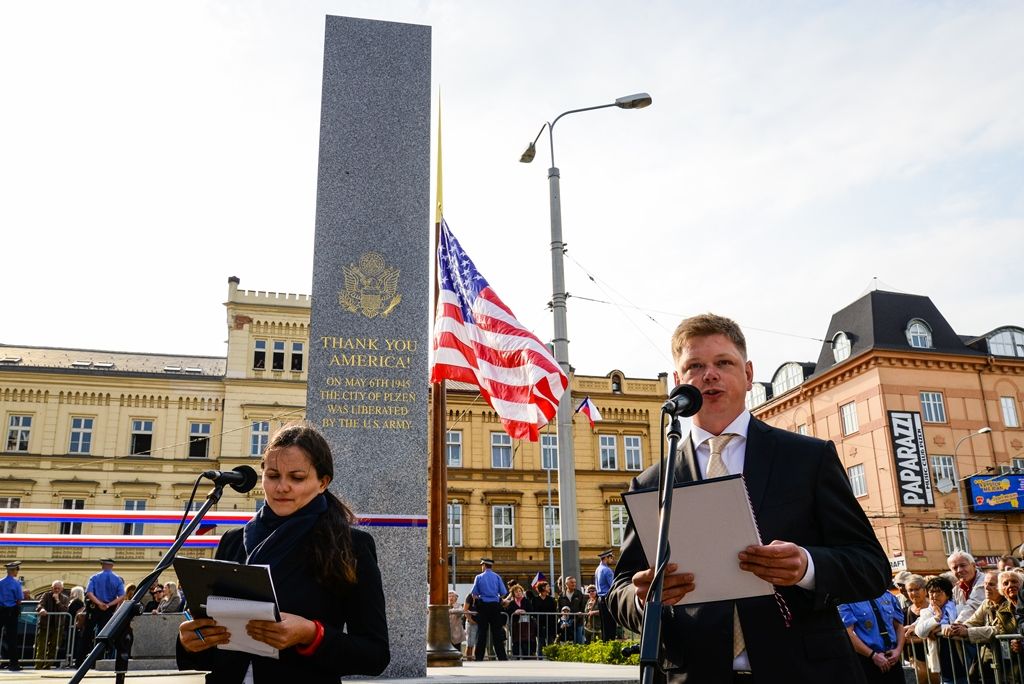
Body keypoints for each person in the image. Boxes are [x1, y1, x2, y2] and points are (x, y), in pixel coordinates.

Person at [608, 313, 890, 682]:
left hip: (806, 671)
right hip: (694, 673)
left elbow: (871, 566)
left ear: (748, 373)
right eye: (695, 366)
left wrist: (806, 566)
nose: (709, 375)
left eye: (724, 362)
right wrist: (644, 598)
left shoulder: (808, 458)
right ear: (677, 382)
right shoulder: (651, 483)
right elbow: (620, 590)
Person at [176, 424, 389, 683]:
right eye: (273, 475)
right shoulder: (233, 541)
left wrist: (312, 634)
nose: (282, 487)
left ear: (322, 483)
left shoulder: (351, 545)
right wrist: (191, 641)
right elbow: (213, 645)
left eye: (297, 478)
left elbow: (375, 654)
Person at [839, 589, 906, 683]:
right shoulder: (847, 599)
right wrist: (872, 655)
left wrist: (898, 650)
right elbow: (848, 633)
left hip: (892, 659)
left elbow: (899, 626)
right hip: (867, 661)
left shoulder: (887, 595)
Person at [915, 575, 966, 684]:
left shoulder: (958, 608)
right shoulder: (926, 612)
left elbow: (956, 627)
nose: (934, 596)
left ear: (947, 595)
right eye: (931, 592)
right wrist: (937, 617)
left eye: (939, 592)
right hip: (943, 659)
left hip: (961, 655)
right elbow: (920, 632)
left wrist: (939, 628)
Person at [85, 557, 126, 658]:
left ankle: (82, 659)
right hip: (108, 609)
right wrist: (109, 604)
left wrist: (99, 603)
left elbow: (89, 593)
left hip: (94, 608)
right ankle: (101, 657)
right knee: (104, 633)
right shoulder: (117, 579)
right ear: (112, 566)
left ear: (102, 565)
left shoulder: (94, 577)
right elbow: (122, 595)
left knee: (88, 633)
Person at [902, 574, 938, 684]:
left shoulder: (934, 608)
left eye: (917, 589)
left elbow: (936, 633)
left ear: (925, 590)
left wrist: (915, 637)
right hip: (915, 656)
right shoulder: (904, 612)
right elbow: (903, 635)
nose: (913, 593)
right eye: (910, 590)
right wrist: (925, 636)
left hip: (935, 655)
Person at [469, 558, 508, 661]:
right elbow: (503, 592)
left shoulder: (479, 577)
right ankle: (502, 657)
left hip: (483, 606)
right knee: (497, 632)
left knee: (482, 633)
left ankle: (479, 657)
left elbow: (474, 593)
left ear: (484, 565)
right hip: (495, 606)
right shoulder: (497, 577)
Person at [35, 579, 70, 669]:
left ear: (62, 589)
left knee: (54, 647)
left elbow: (65, 610)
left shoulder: (65, 598)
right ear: (52, 588)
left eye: (58, 588)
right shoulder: (46, 595)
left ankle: (48, 665)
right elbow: (39, 605)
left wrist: (57, 601)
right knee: (41, 646)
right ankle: (38, 665)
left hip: (58, 626)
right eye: (55, 588)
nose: (56, 590)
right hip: (45, 624)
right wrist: (41, 609)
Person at [0, 561, 23, 671]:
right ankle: (13, 664)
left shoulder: (0, 582)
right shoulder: (16, 583)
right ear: (14, 571)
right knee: (12, 639)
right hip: (11, 611)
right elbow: (19, 599)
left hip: (0, 610)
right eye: (17, 570)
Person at [504, 584, 534, 658]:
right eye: (516, 592)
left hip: (526, 625)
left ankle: (526, 657)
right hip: (515, 626)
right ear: (513, 594)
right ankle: (516, 657)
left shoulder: (526, 601)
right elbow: (508, 612)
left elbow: (531, 610)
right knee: (516, 642)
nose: (518, 593)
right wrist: (515, 612)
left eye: (520, 591)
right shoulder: (511, 603)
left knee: (525, 642)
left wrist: (525, 611)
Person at [556, 576, 586, 644]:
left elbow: (583, 608)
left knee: (579, 643)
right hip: (566, 625)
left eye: (575, 582)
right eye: (572, 582)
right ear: (566, 584)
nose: (574, 584)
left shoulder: (579, 594)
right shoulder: (561, 596)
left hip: (578, 623)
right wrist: (562, 621)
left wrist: (581, 614)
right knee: (568, 644)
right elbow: (558, 610)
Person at [594, 550, 616, 641]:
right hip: (607, 599)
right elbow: (613, 586)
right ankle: (610, 646)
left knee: (604, 626)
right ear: (606, 558)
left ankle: (605, 645)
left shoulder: (598, 569)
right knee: (610, 625)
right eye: (611, 558)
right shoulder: (607, 570)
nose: (613, 560)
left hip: (600, 598)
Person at [532, 581, 556, 654]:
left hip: (550, 624)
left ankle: (550, 657)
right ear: (543, 588)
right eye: (548, 586)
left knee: (550, 642)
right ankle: (539, 658)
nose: (549, 588)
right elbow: (534, 612)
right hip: (539, 624)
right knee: (540, 643)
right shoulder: (535, 600)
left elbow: (554, 611)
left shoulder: (552, 600)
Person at [68, 586, 87, 667]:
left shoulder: (76, 602)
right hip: (74, 626)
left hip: (73, 626)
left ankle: (71, 660)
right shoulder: (80, 603)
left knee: (73, 643)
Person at [463, 593, 478, 660]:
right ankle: (469, 658)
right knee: (470, 643)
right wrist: (470, 620)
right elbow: (465, 609)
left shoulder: (482, 595)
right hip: (471, 622)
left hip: (479, 622)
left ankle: (475, 658)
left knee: (477, 643)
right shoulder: (469, 596)